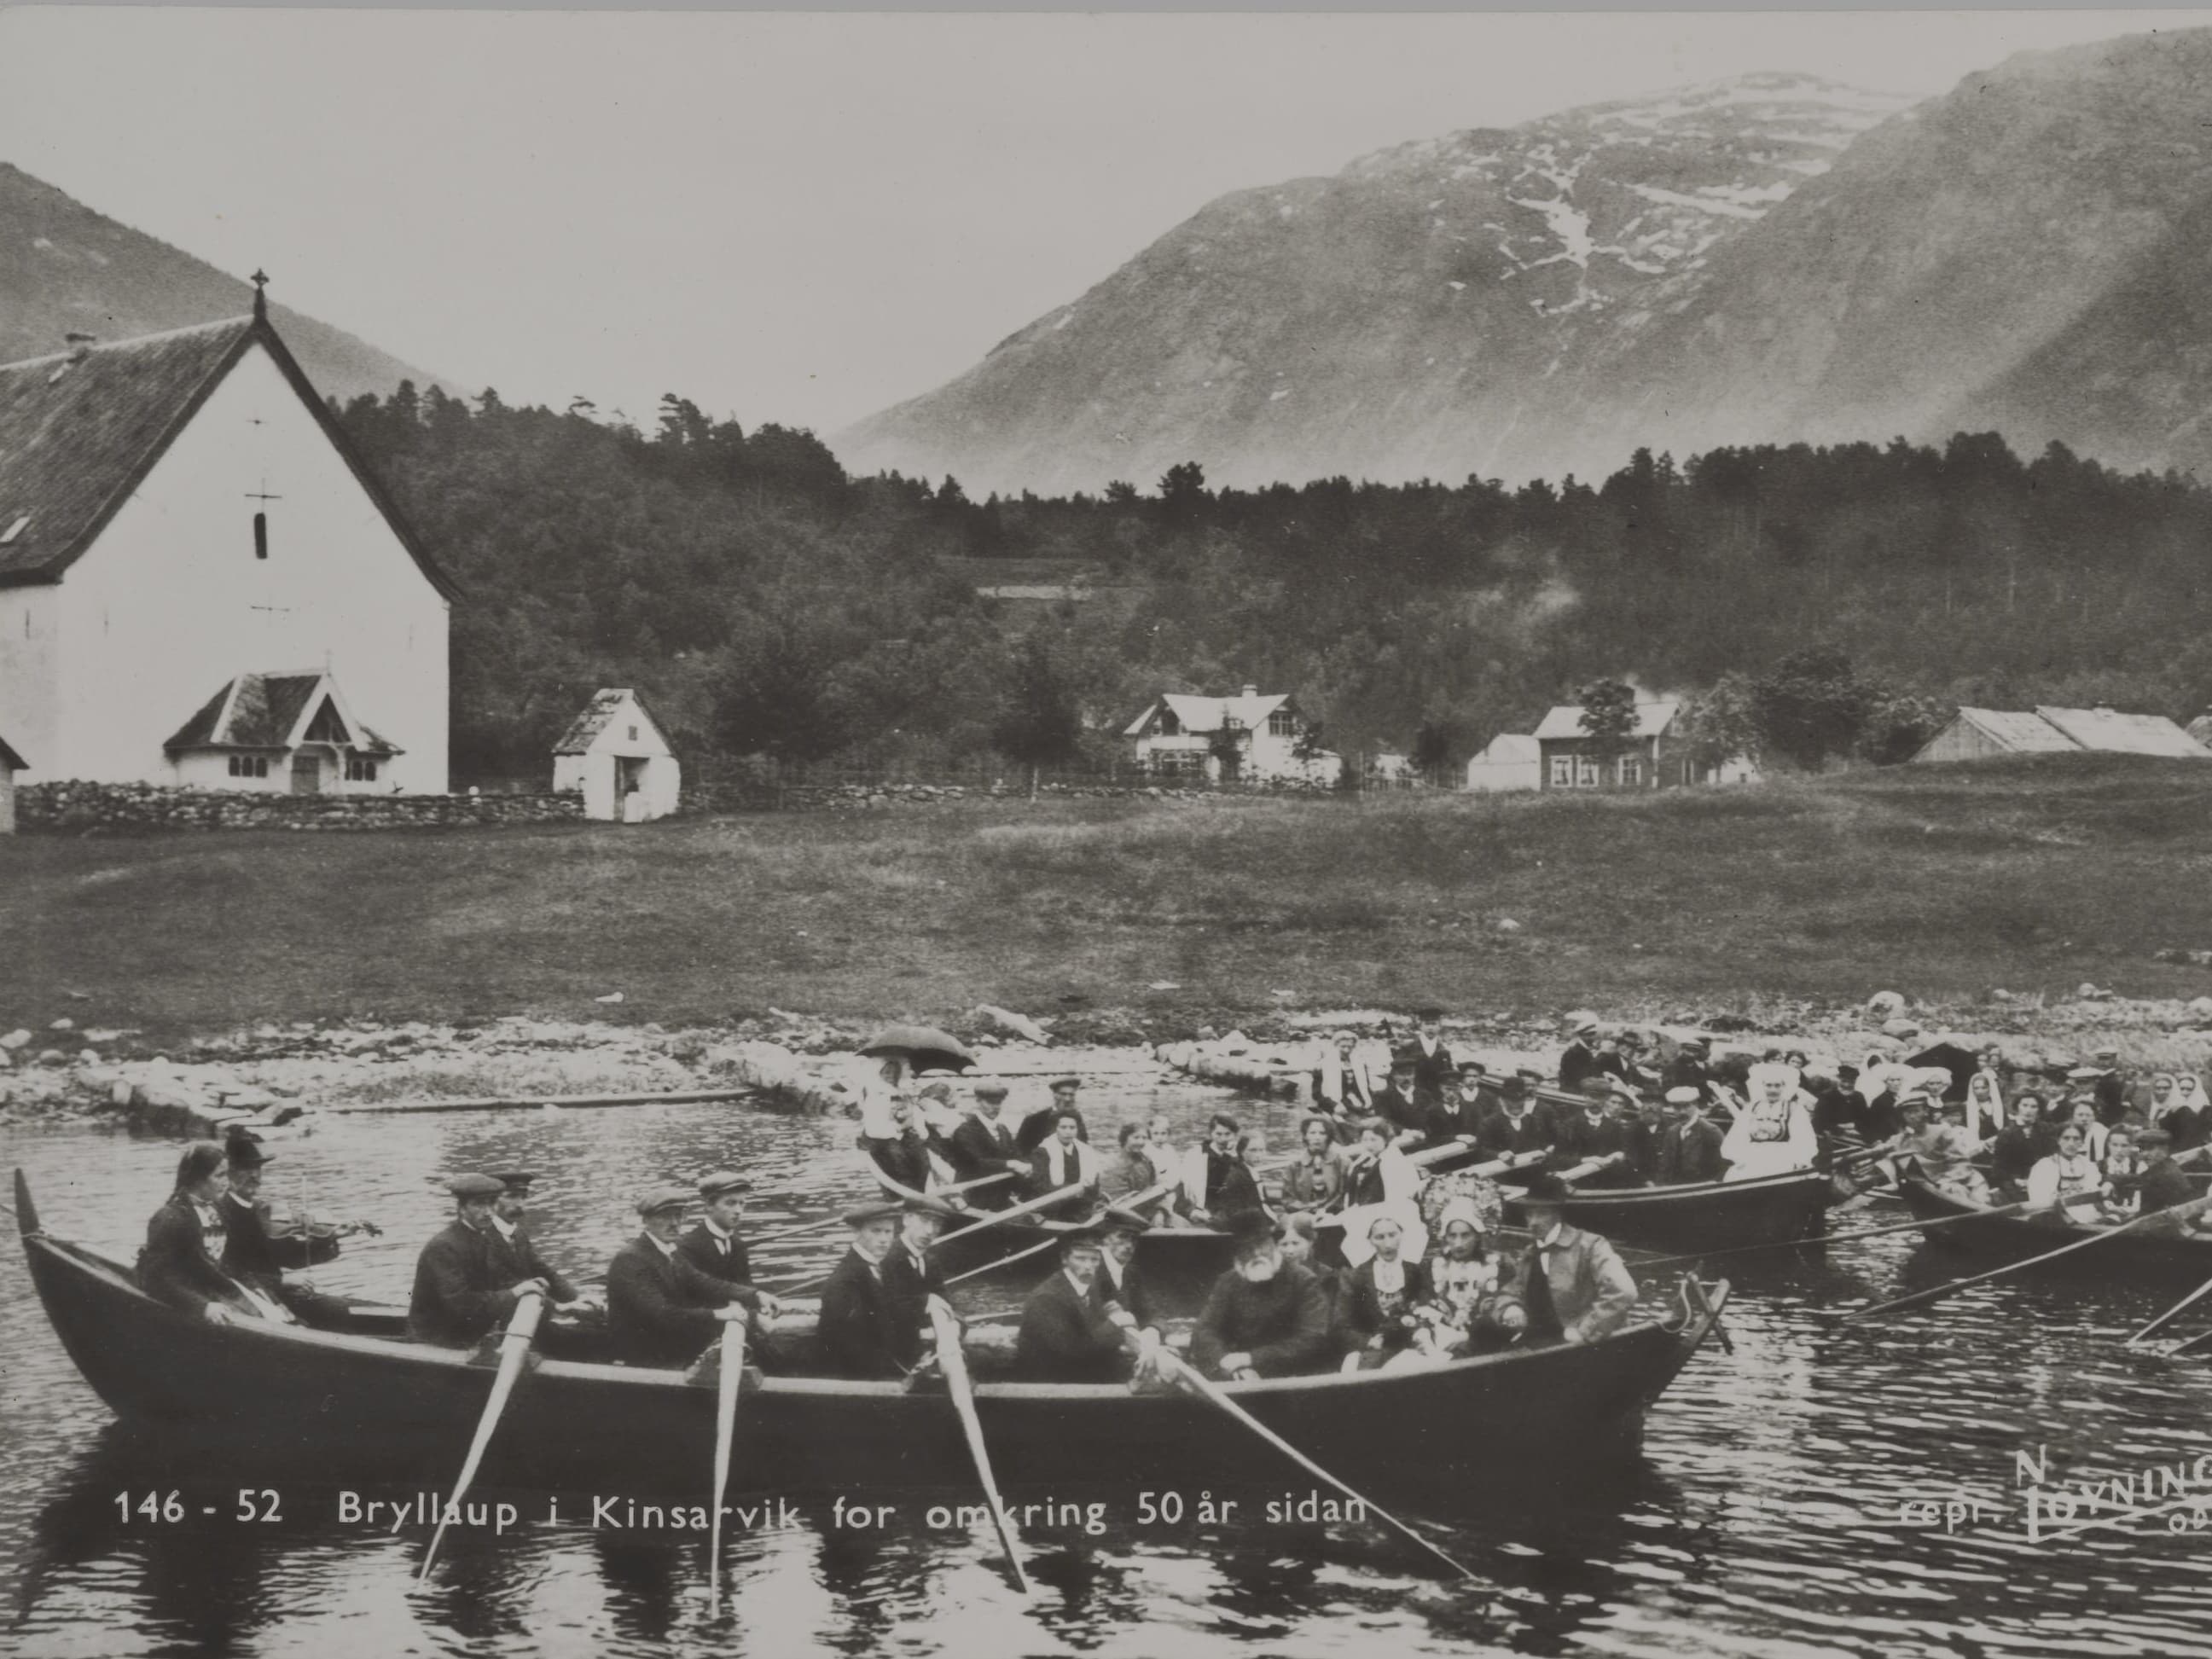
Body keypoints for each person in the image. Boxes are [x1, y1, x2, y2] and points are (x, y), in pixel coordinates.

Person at [605, 1188, 749, 1367]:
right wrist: (719, 1314)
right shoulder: (631, 1259)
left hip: (667, 1348)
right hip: (640, 1359)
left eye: (678, 1216)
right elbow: (663, 1314)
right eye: (665, 1217)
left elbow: (704, 1282)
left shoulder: (670, 1251)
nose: (674, 1223)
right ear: (646, 1221)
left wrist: (756, 1295)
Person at [409, 1173, 551, 1347]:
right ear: (462, 1208)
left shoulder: (484, 1239)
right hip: (437, 1339)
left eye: (491, 1203)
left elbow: (502, 1283)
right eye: (479, 1205)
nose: (487, 1212)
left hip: (470, 1333)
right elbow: (463, 1305)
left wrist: (555, 1304)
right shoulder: (444, 1247)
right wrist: (516, 1292)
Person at [1190, 1213, 1333, 1381]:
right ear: (1237, 1257)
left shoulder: (1303, 1280)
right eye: (1247, 1249)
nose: (1257, 1253)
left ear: (1273, 1246)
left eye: (1262, 1246)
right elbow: (1205, 1330)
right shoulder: (1228, 1282)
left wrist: (1251, 1359)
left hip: (1291, 1377)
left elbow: (1312, 1338)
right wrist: (1226, 1362)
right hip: (1237, 1374)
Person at [1511, 1175, 1638, 1345]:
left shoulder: (1591, 1246)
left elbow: (1623, 1292)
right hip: (1542, 1342)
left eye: (1542, 1213)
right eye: (1529, 1214)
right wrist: (1509, 1307)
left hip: (1585, 1345)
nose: (1533, 1222)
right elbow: (1512, 1290)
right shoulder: (1530, 1253)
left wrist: (1585, 1330)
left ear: (1558, 1215)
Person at [217, 1130, 340, 1304]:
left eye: (257, 1168)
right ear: (228, 1173)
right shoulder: (219, 1212)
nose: (254, 1175)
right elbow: (226, 1271)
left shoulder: (260, 1208)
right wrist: (282, 1282)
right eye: (245, 1168)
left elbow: (287, 1256)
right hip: (244, 1301)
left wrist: (333, 1236)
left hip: (275, 1294)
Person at [140, 1140, 247, 1323]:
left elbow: (225, 1265)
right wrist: (202, 1306)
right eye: (219, 1176)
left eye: (226, 1175)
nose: (226, 1183)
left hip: (220, 1290)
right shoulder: (170, 1218)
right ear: (198, 1178)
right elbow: (155, 1279)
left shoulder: (219, 1210)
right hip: (194, 1299)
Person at [1013, 1226, 1138, 1383]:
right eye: (1080, 1258)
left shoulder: (1089, 1289)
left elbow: (1095, 1338)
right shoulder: (1046, 1298)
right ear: (1065, 1259)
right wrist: (1114, 1323)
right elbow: (1071, 1352)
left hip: (1081, 1374)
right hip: (1050, 1385)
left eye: (1094, 1260)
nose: (1088, 1266)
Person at [816, 1200, 914, 1379]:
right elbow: (846, 1343)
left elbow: (898, 1312)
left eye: (888, 1232)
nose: (884, 1239)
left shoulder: (883, 1269)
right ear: (856, 1232)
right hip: (851, 1377)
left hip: (881, 1367)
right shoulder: (844, 1280)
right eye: (876, 1231)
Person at [678, 1171, 781, 1317]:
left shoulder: (737, 1244)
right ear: (709, 1205)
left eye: (742, 1203)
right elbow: (701, 1291)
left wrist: (760, 1304)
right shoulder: (687, 1247)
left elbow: (746, 1286)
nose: (738, 1211)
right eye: (730, 1203)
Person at [485, 1169, 588, 1308]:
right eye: (511, 1196)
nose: (520, 1204)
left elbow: (542, 1270)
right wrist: (558, 1307)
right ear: (492, 1200)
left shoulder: (518, 1233)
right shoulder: (483, 1237)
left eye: (523, 1197)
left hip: (524, 1306)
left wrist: (577, 1298)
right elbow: (506, 1283)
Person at [1339, 1210, 1429, 1368]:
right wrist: (1367, 1341)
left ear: (1401, 1234)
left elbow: (1425, 1307)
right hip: (1375, 1350)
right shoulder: (1356, 1277)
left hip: (1411, 1345)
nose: (1387, 1244)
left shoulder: (1415, 1272)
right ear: (1370, 1240)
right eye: (1379, 1237)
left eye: (1392, 1235)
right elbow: (1343, 1325)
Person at [880, 1197, 958, 1371]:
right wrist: (925, 1301)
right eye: (924, 1222)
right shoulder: (888, 1259)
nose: (930, 1231)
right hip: (891, 1355)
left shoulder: (930, 1262)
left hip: (924, 1347)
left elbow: (948, 1304)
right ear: (906, 1219)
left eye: (936, 1224)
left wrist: (958, 1324)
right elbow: (891, 1309)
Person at [1720, 1064, 1820, 1181]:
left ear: (1784, 1087)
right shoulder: (1752, 1108)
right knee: (1736, 1177)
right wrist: (1739, 1158)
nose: (1773, 1090)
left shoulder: (1794, 1109)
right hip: (1752, 1155)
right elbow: (1737, 1135)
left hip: (1783, 1156)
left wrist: (1799, 1160)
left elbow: (1803, 1139)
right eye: (1769, 1085)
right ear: (1762, 1086)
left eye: (1778, 1086)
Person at [945, 1081, 1030, 1209]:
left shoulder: (1002, 1130)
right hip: (973, 1198)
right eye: (990, 1102)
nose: (995, 1107)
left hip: (1000, 1196)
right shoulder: (965, 1130)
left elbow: (1015, 1153)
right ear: (978, 1101)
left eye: (998, 1103)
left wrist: (1026, 1164)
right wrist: (1009, 1164)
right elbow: (976, 1163)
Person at [1886, 1094, 1988, 1202]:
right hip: (1924, 1186)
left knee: (1956, 1192)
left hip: (1959, 1180)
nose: (1912, 1116)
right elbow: (1885, 1156)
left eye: (1916, 1111)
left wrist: (1946, 1181)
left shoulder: (1942, 1132)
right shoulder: (1899, 1140)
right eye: (1908, 1113)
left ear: (1925, 1111)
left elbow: (1959, 1162)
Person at [2121, 1129, 2212, 1235]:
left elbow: (2148, 1213)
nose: (2144, 1154)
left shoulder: (2165, 1174)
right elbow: (2138, 1179)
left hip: (2169, 1235)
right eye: (2141, 1149)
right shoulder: (2162, 1168)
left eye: (2150, 1149)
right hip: (2163, 1229)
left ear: (2165, 1149)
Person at [1189, 1113, 1266, 1227]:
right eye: (1218, 1134)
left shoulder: (1239, 1155)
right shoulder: (1198, 1154)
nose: (1223, 1139)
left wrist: (1233, 1156)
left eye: (1227, 1134)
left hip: (1231, 1204)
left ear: (1234, 1135)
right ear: (1211, 1134)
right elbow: (1189, 1189)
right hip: (1206, 1206)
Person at [2025, 1123, 2110, 1226]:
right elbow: (2041, 1202)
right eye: (2066, 1138)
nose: (2071, 1143)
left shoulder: (2087, 1165)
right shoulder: (2046, 1165)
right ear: (2058, 1140)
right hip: (2058, 1218)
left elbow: (2094, 1193)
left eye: (2076, 1139)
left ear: (2082, 1142)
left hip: (2089, 1215)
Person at [1553, 1081, 1634, 1186]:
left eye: (1600, 1097)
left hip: (1605, 1180)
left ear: (1606, 1100)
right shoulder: (1570, 1124)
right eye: (1592, 1097)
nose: (1595, 1102)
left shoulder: (1614, 1126)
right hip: (1576, 1180)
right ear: (1585, 1097)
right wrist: (1585, 1159)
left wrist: (1616, 1157)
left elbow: (1622, 1152)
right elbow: (1558, 1157)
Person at [1474, 1076, 1555, 1171]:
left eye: (1520, 1100)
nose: (1516, 1105)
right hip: (1502, 1174)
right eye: (1511, 1100)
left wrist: (1549, 1148)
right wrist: (1499, 1155)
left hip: (1531, 1170)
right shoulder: (1489, 1123)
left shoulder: (1532, 1120)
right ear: (1502, 1101)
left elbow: (1541, 1144)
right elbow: (1482, 1150)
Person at [1029, 1107, 1106, 1207]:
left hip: (1080, 1202)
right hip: (1053, 1204)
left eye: (1072, 1128)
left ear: (1077, 1129)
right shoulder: (1042, 1152)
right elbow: (1041, 1187)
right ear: (1055, 1129)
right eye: (1063, 1127)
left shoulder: (1085, 1151)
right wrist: (1071, 1192)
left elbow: (1094, 1182)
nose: (1068, 1132)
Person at [859, 1094, 936, 1192]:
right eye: (893, 1109)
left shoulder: (914, 1122)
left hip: (910, 1154)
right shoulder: (878, 1130)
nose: (898, 1113)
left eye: (902, 1108)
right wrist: (902, 1126)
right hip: (894, 1172)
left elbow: (923, 1134)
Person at [1278, 1114, 1349, 1214]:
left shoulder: (1342, 1162)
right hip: (1303, 1214)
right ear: (1305, 1136)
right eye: (1312, 1133)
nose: (1317, 1137)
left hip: (1334, 1214)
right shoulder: (1294, 1165)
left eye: (1322, 1133)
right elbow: (1288, 1200)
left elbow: (1343, 1195)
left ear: (1328, 1137)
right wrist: (1306, 1209)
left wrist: (1324, 1210)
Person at [1657, 1088, 1726, 1185]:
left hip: (1701, 1192)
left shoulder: (1710, 1132)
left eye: (1686, 1106)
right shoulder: (1672, 1132)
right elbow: (1664, 1167)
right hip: (1674, 1191)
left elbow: (1724, 1168)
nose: (1682, 1112)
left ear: (1696, 1105)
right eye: (1677, 1108)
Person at [1988, 1096, 2047, 1202]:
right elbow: (1998, 1167)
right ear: (2017, 1107)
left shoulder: (2045, 1130)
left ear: (2039, 1110)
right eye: (2024, 1105)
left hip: (2040, 1178)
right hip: (2013, 1181)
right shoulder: (2006, 1133)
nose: (2028, 1110)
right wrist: (2015, 1179)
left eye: (2033, 1107)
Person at [1098, 1122, 1165, 1210]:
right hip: (1120, 1213)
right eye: (1136, 1137)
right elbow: (1117, 1203)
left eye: (1144, 1138)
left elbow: (1154, 1186)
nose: (1141, 1142)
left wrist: (1160, 1211)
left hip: (1147, 1207)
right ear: (1125, 1138)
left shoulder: (1146, 1160)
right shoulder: (1113, 1165)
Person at [1369, 1053, 1430, 1149]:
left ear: (1414, 1075)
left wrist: (1424, 1132)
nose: (1406, 1078)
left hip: (1425, 1140)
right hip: (1399, 1143)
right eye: (1401, 1074)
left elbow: (1432, 1117)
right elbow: (1385, 1120)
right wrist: (1405, 1131)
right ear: (1393, 1076)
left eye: (1410, 1074)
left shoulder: (1425, 1095)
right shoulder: (1383, 1097)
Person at [1313, 1030, 1377, 1121]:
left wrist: (1371, 1104)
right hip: (1335, 1104)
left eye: (1350, 1047)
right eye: (1343, 1046)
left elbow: (1366, 1088)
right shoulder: (1323, 1065)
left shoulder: (1359, 1065)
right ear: (1336, 1046)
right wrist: (1334, 1105)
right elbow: (1316, 1094)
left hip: (1358, 1102)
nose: (1346, 1050)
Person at [1017, 1076, 1090, 1155]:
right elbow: (1019, 1151)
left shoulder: (1077, 1118)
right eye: (1063, 1094)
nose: (1067, 1099)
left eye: (1071, 1095)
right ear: (1055, 1095)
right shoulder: (1034, 1120)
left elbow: (1083, 1146)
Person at [1408, 1006, 1454, 1115]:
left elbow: (1448, 1077)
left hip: (1437, 1098)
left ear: (1439, 1026)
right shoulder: (1409, 1048)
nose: (1430, 1028)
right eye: (1427, 1024)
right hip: (1415, 1097)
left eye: (1433, 1024)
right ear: (1421, 1026)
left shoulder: (1444, 1052)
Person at [1623, 1093, 1669, 1184]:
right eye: (1647, 1102)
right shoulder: (1631, 1129)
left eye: (1655, 1102)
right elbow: (1630, 1160)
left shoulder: (1670, 1128)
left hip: (1667, 1179)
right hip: (1640, 1180)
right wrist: (1645, 1180)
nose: (1650, 1107)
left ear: (1662, 1106)